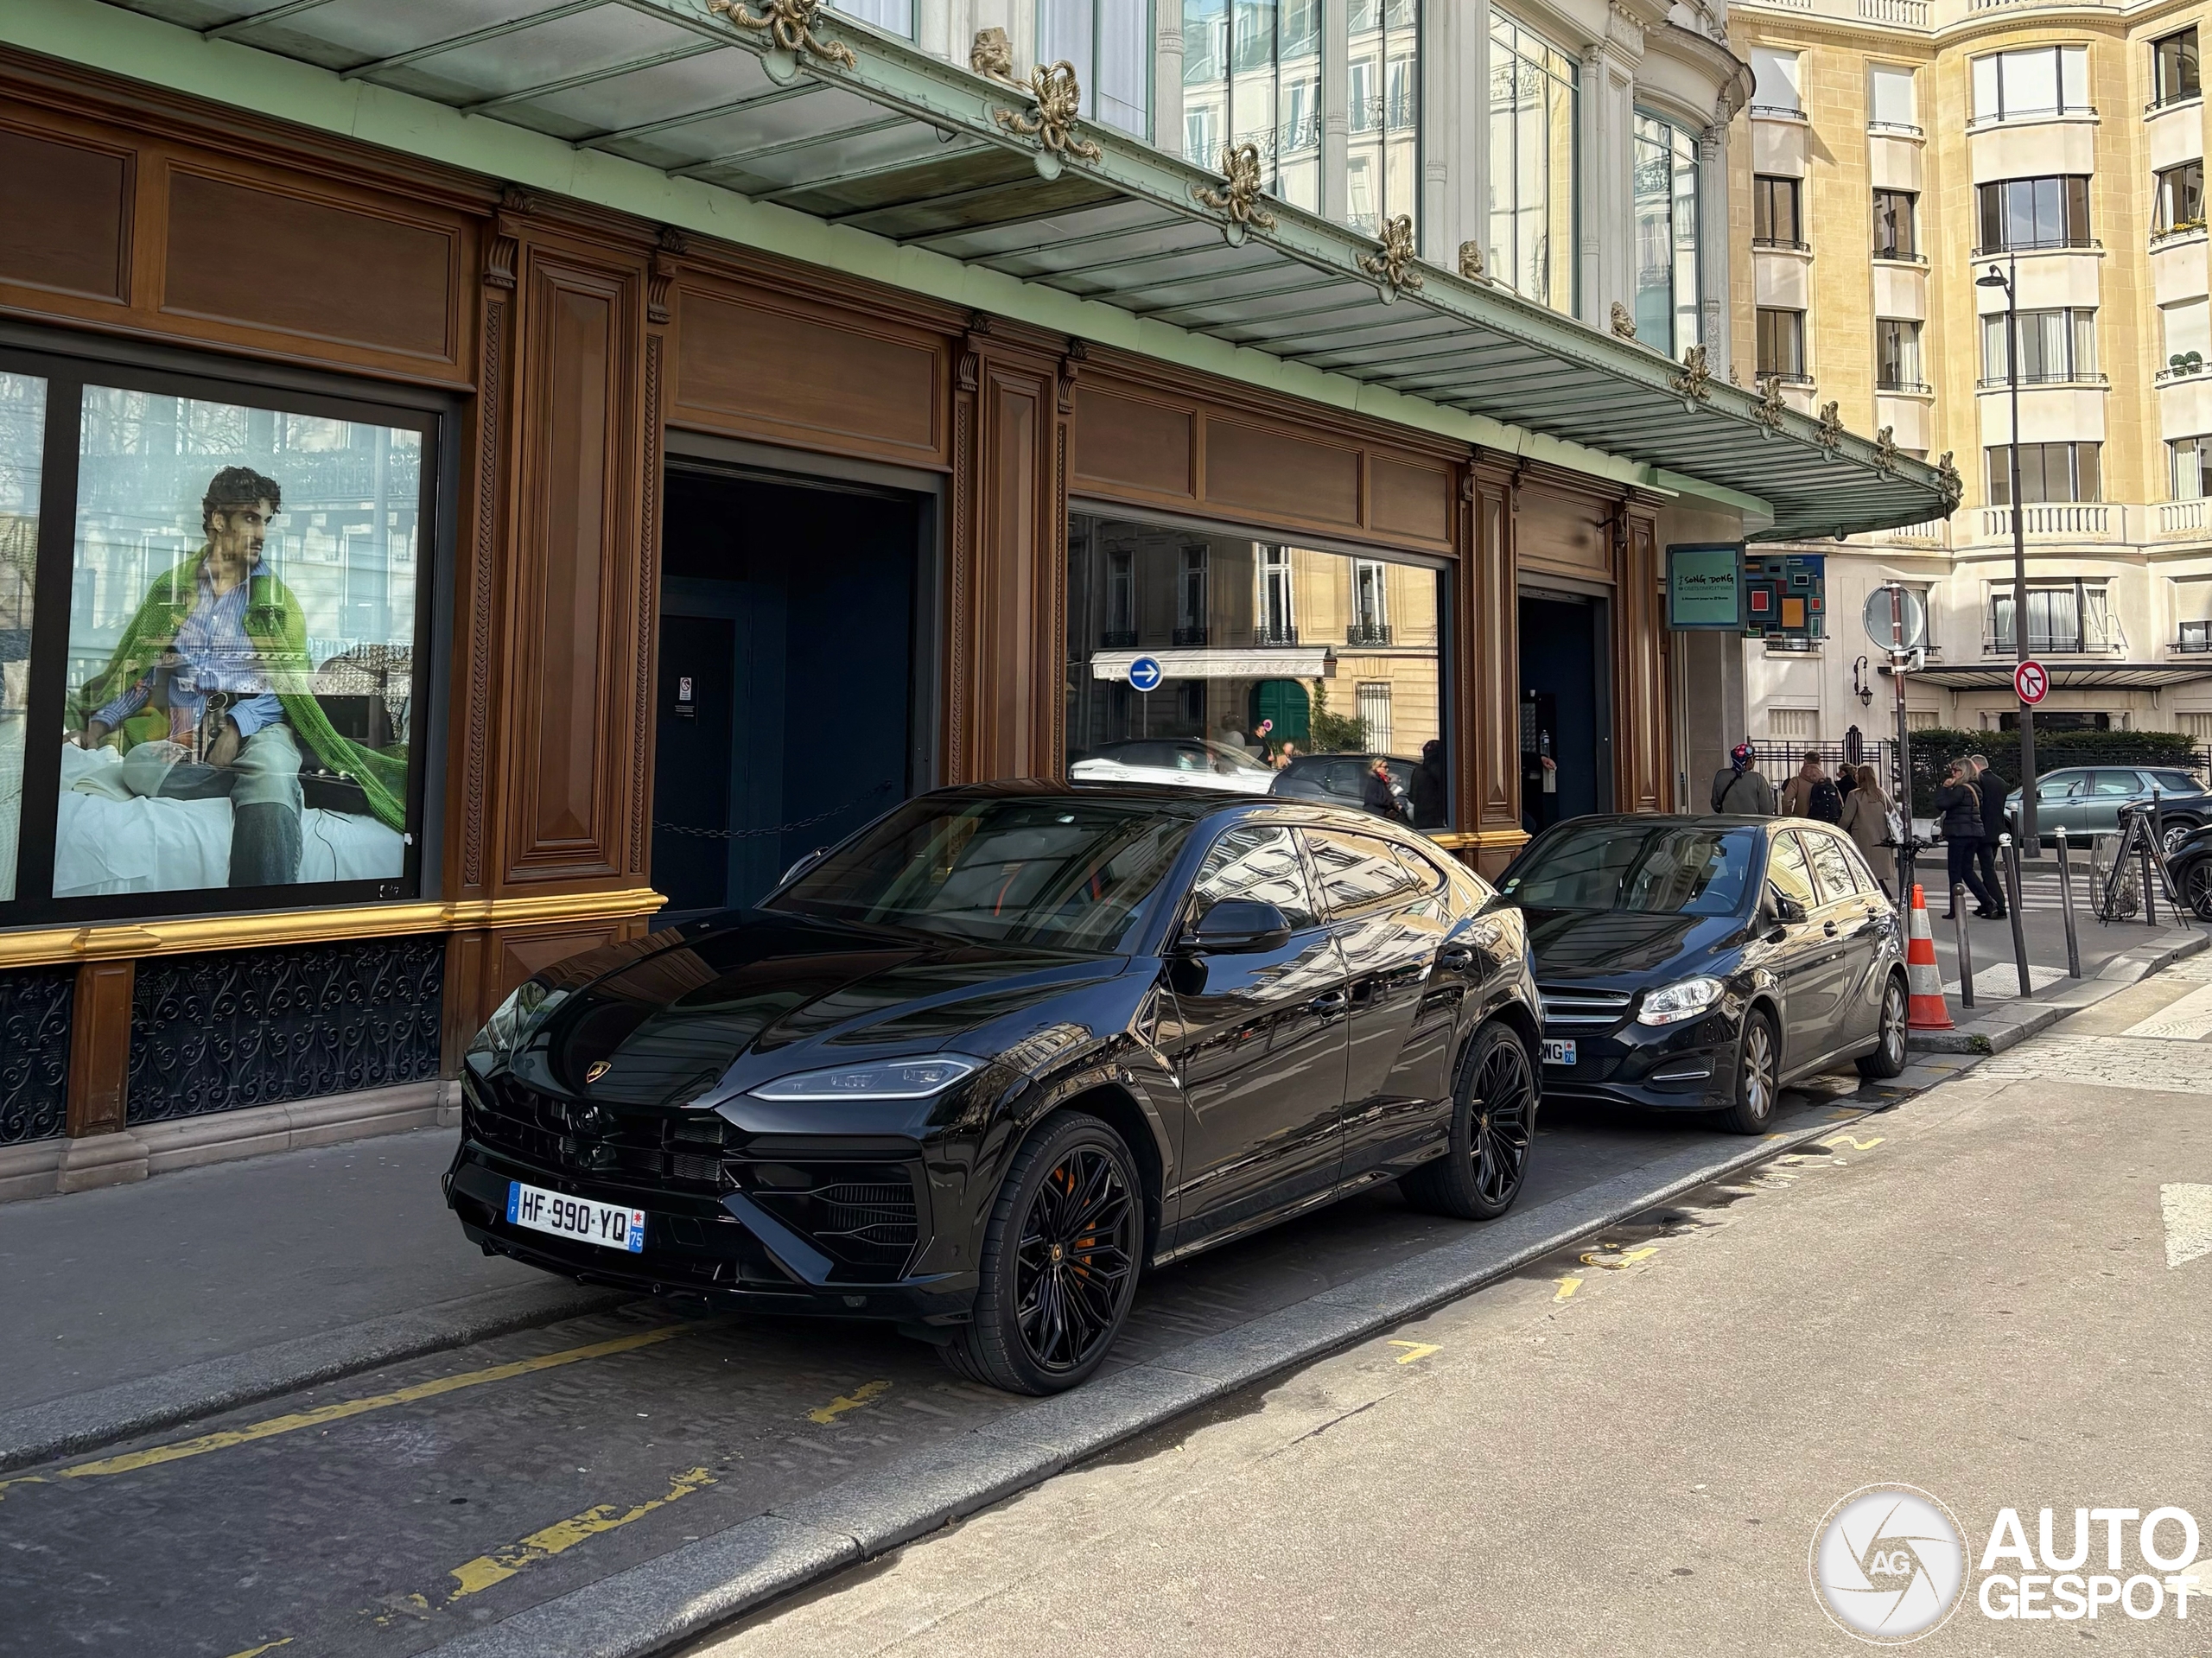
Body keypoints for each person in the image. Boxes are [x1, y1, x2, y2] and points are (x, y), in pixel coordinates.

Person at [68, 465, 407, 886]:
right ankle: (269, 788)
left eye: (265, 521)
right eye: (250, 518)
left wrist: (235, 728)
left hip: (261, 723)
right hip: (188, 731)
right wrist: (99, 725)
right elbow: (143, 673)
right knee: (138, 765)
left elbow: (290, 689)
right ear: (217, 520)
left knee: (270, 768)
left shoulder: (278, 602)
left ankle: (262, 912)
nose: (261, 533)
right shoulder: (173, 592)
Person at [1936, 759, 1997, 920]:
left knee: (1955, 872)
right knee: (1967, 871)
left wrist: (1944, 788)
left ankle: (1955, 909)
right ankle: (1988, 902)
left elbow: (1942, 804)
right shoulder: (1975, 788)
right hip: (1973, 834)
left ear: (1963, 772)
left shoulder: (1960, 790)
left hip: (1959, 834)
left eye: (1955, 770)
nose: (1952, 773)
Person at [1839, 761, 1896, 894]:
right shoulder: (1882, 794)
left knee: (1866, 872)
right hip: (1882, 838)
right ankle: (1886, 898)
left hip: (1862, 839)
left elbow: (1846, 819)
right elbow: (1895, 813)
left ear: (1859, 777)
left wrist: (1836, 831)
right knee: (1876, 875)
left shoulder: (1855, 795)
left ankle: (1887, 898)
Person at [1969, 753, 2012, 919]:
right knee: (1988, 868)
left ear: (1977, 766)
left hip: (1982, 832)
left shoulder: (1979, 782)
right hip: (1997, 831)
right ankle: (1987, 903)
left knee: (1987, 870)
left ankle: (1998, 905)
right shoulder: (2000, 782)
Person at [1711, 743, 1777, 815]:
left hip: (1726, 821)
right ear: (1750, 760)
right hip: (1751, 821)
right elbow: (1767, 809)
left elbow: (1715, 805)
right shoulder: (1758, 779)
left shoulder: (1721, 775)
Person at [1780, 752, 1834, 819]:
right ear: (1819, 762)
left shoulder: (1797, 781)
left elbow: (1786, 800)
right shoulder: (1827, 781)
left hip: (1802, 820)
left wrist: (1788, 817)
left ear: (1805, 761)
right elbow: (1840, 802)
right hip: (1823, 821)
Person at [1408, 738, 1446, 829]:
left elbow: (1412, 796)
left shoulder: (1418, 770)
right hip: (1436, 817)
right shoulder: (1441, 770)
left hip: (1420, 816)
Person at [1361, 756, 1409, 825]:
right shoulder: (1374, 781)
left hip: (1381, 814)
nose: (1387, 769)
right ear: (1377, 768)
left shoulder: (1382, 780)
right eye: (1385, 767)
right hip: (1377, 816)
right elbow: (1380, 800)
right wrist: (1392, 796)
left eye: (1388, 767)